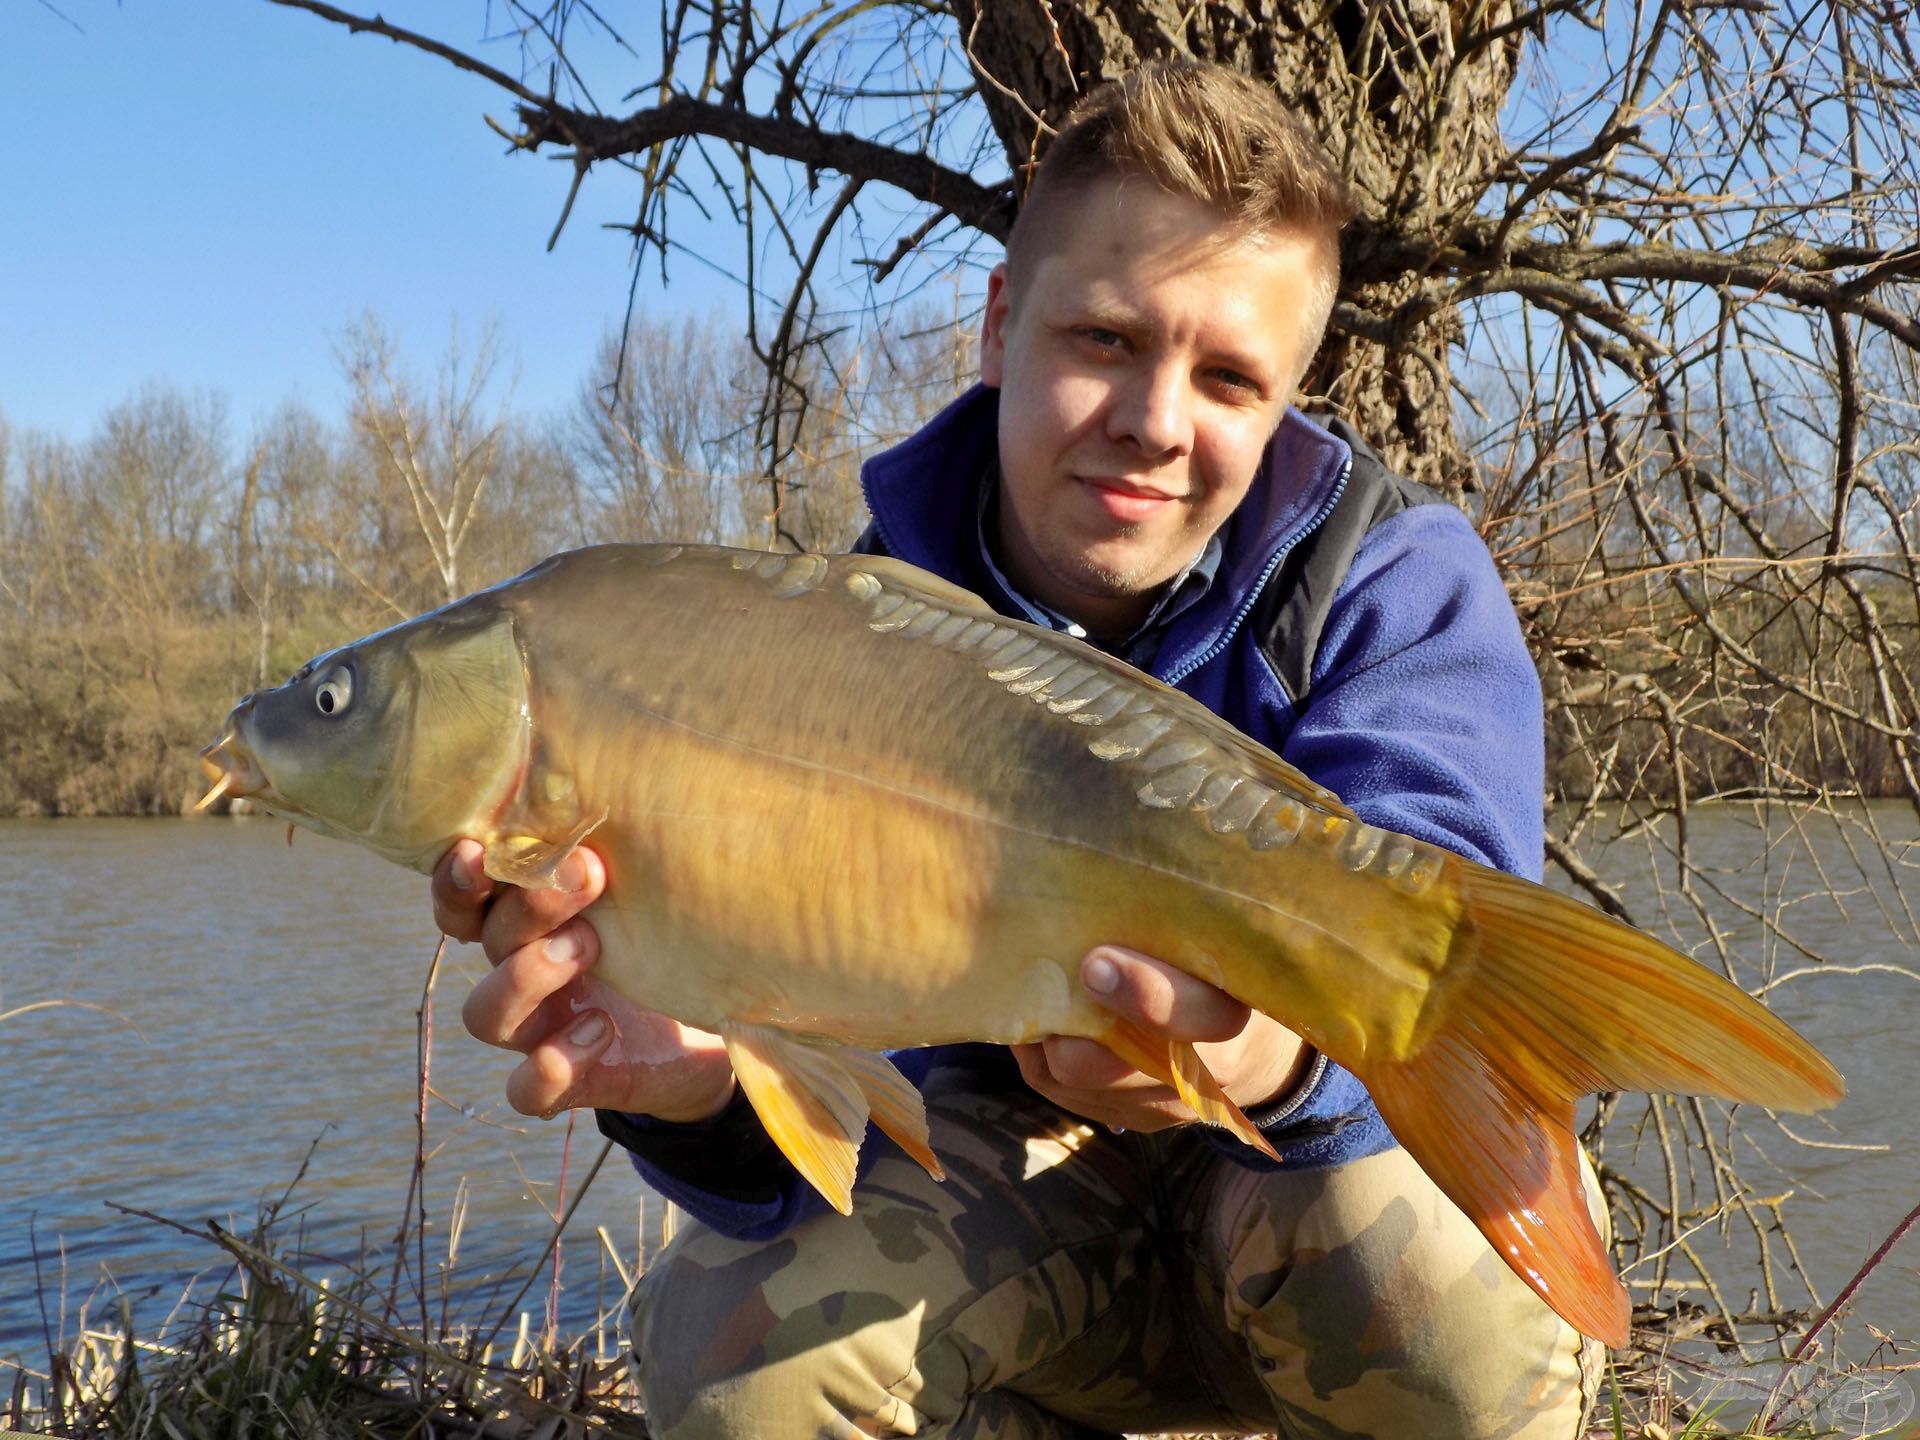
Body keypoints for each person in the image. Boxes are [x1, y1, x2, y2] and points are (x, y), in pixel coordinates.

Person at [437, 61, 1605, 1440]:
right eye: (1103, 340)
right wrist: (703, 1091)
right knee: (740, 1363)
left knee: (1448, 1317)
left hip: (1303, 1205)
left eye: (1229, 377)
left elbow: (1450, 977)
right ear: (1002, 325)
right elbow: (845, 1132)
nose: (1155, 421)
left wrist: (1267, 1066)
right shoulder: (847, 636)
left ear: (1290, 398)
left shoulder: (1393, 584)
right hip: (1038, 1242)